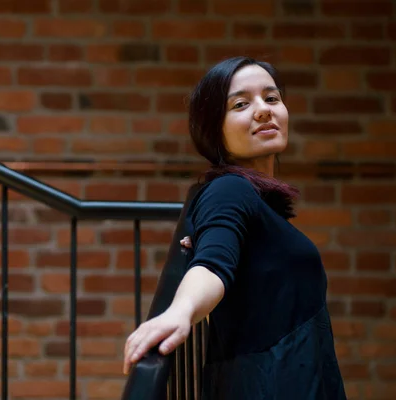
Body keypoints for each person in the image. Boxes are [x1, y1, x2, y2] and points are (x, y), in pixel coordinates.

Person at [123, 57, 346, 399]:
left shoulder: (254, 202)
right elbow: (212, 263)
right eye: (241, 104)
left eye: (272, 99)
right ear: (215, 129)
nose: (262, 110)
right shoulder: (229, 190)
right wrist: (180, 312)